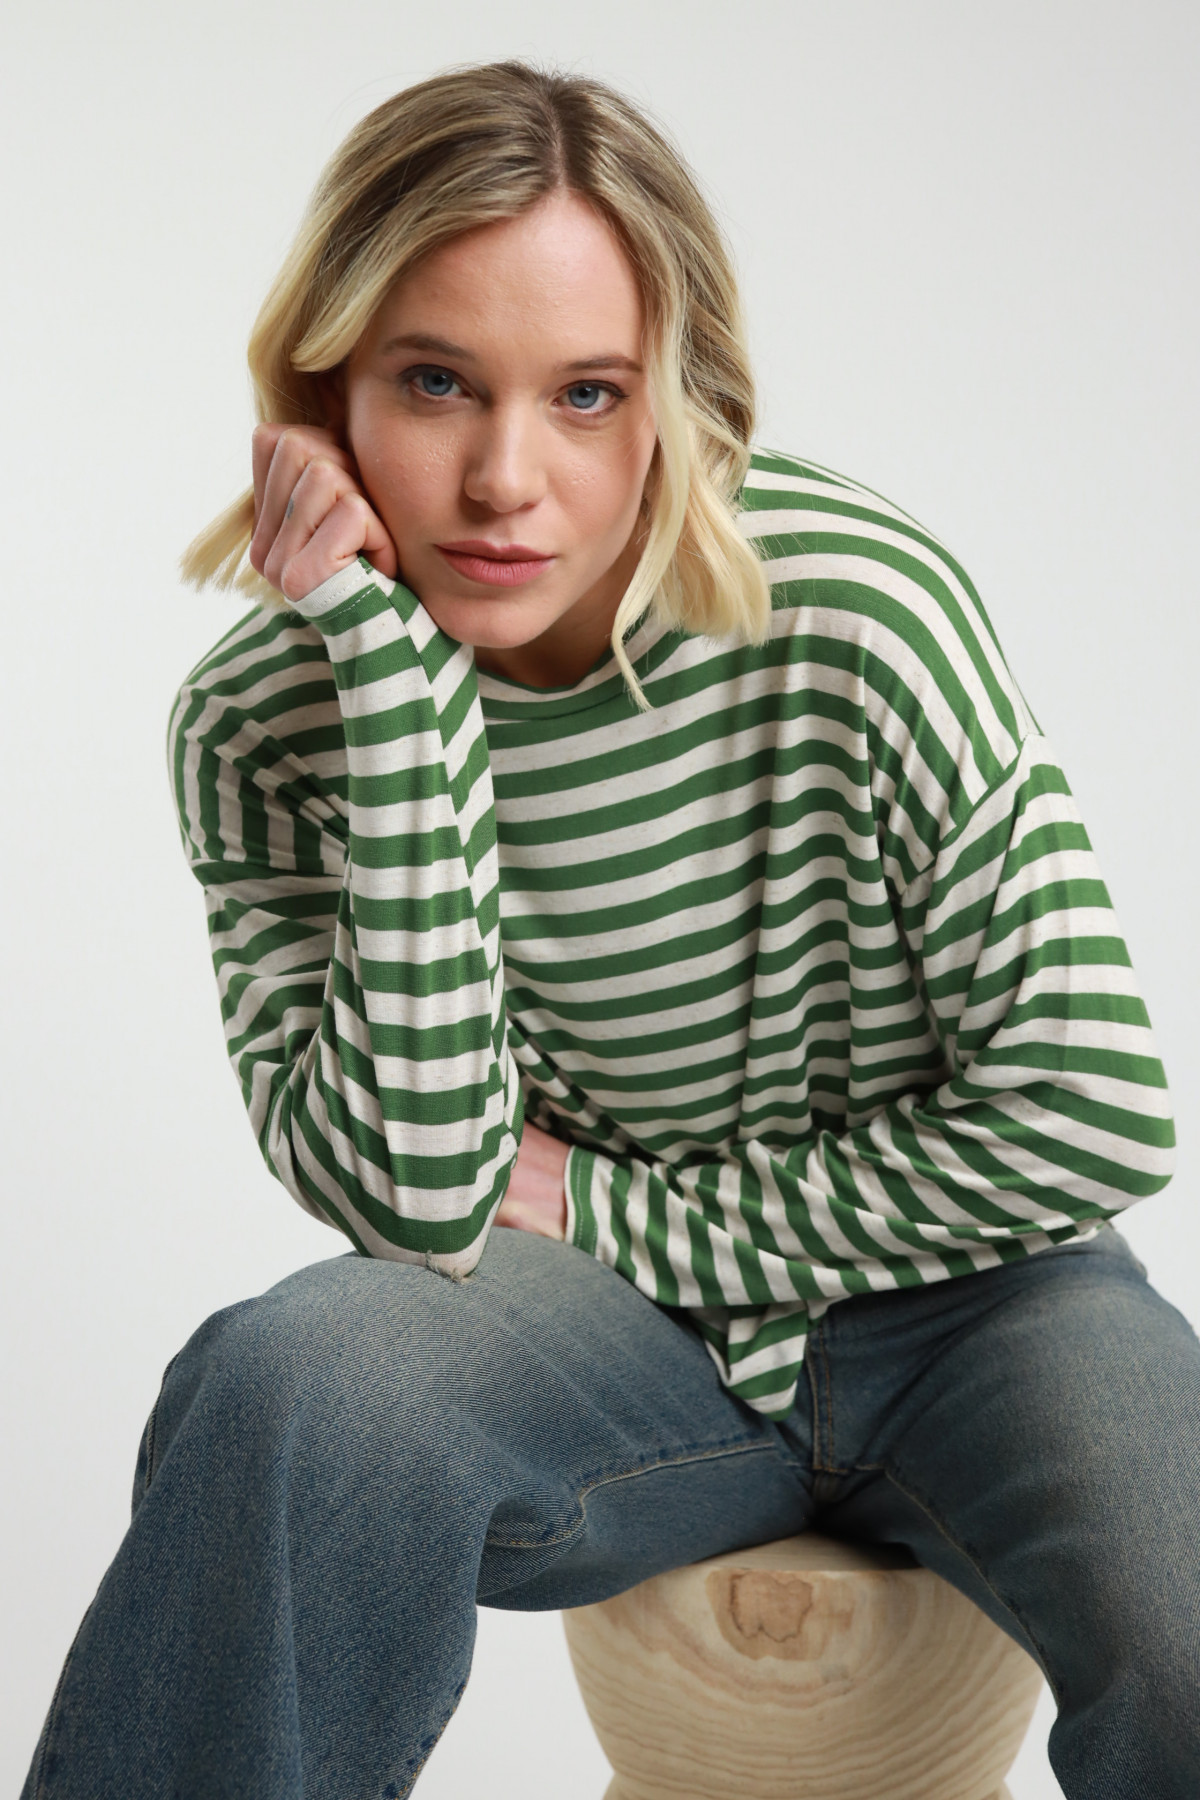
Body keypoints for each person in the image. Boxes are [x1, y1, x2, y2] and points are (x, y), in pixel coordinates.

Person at [22, 59, 1198, 1800]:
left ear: (676, 400)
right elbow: (419, 1202)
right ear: (324, 391)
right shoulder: (265, 724)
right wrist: (401, 702)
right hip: (606, 1339)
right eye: (436, 383)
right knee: (294, 1386)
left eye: (585, 394)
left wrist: (625, 1208)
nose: (505, 478)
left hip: (979, 1305)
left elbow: (1093, 1115)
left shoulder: (860, 614)